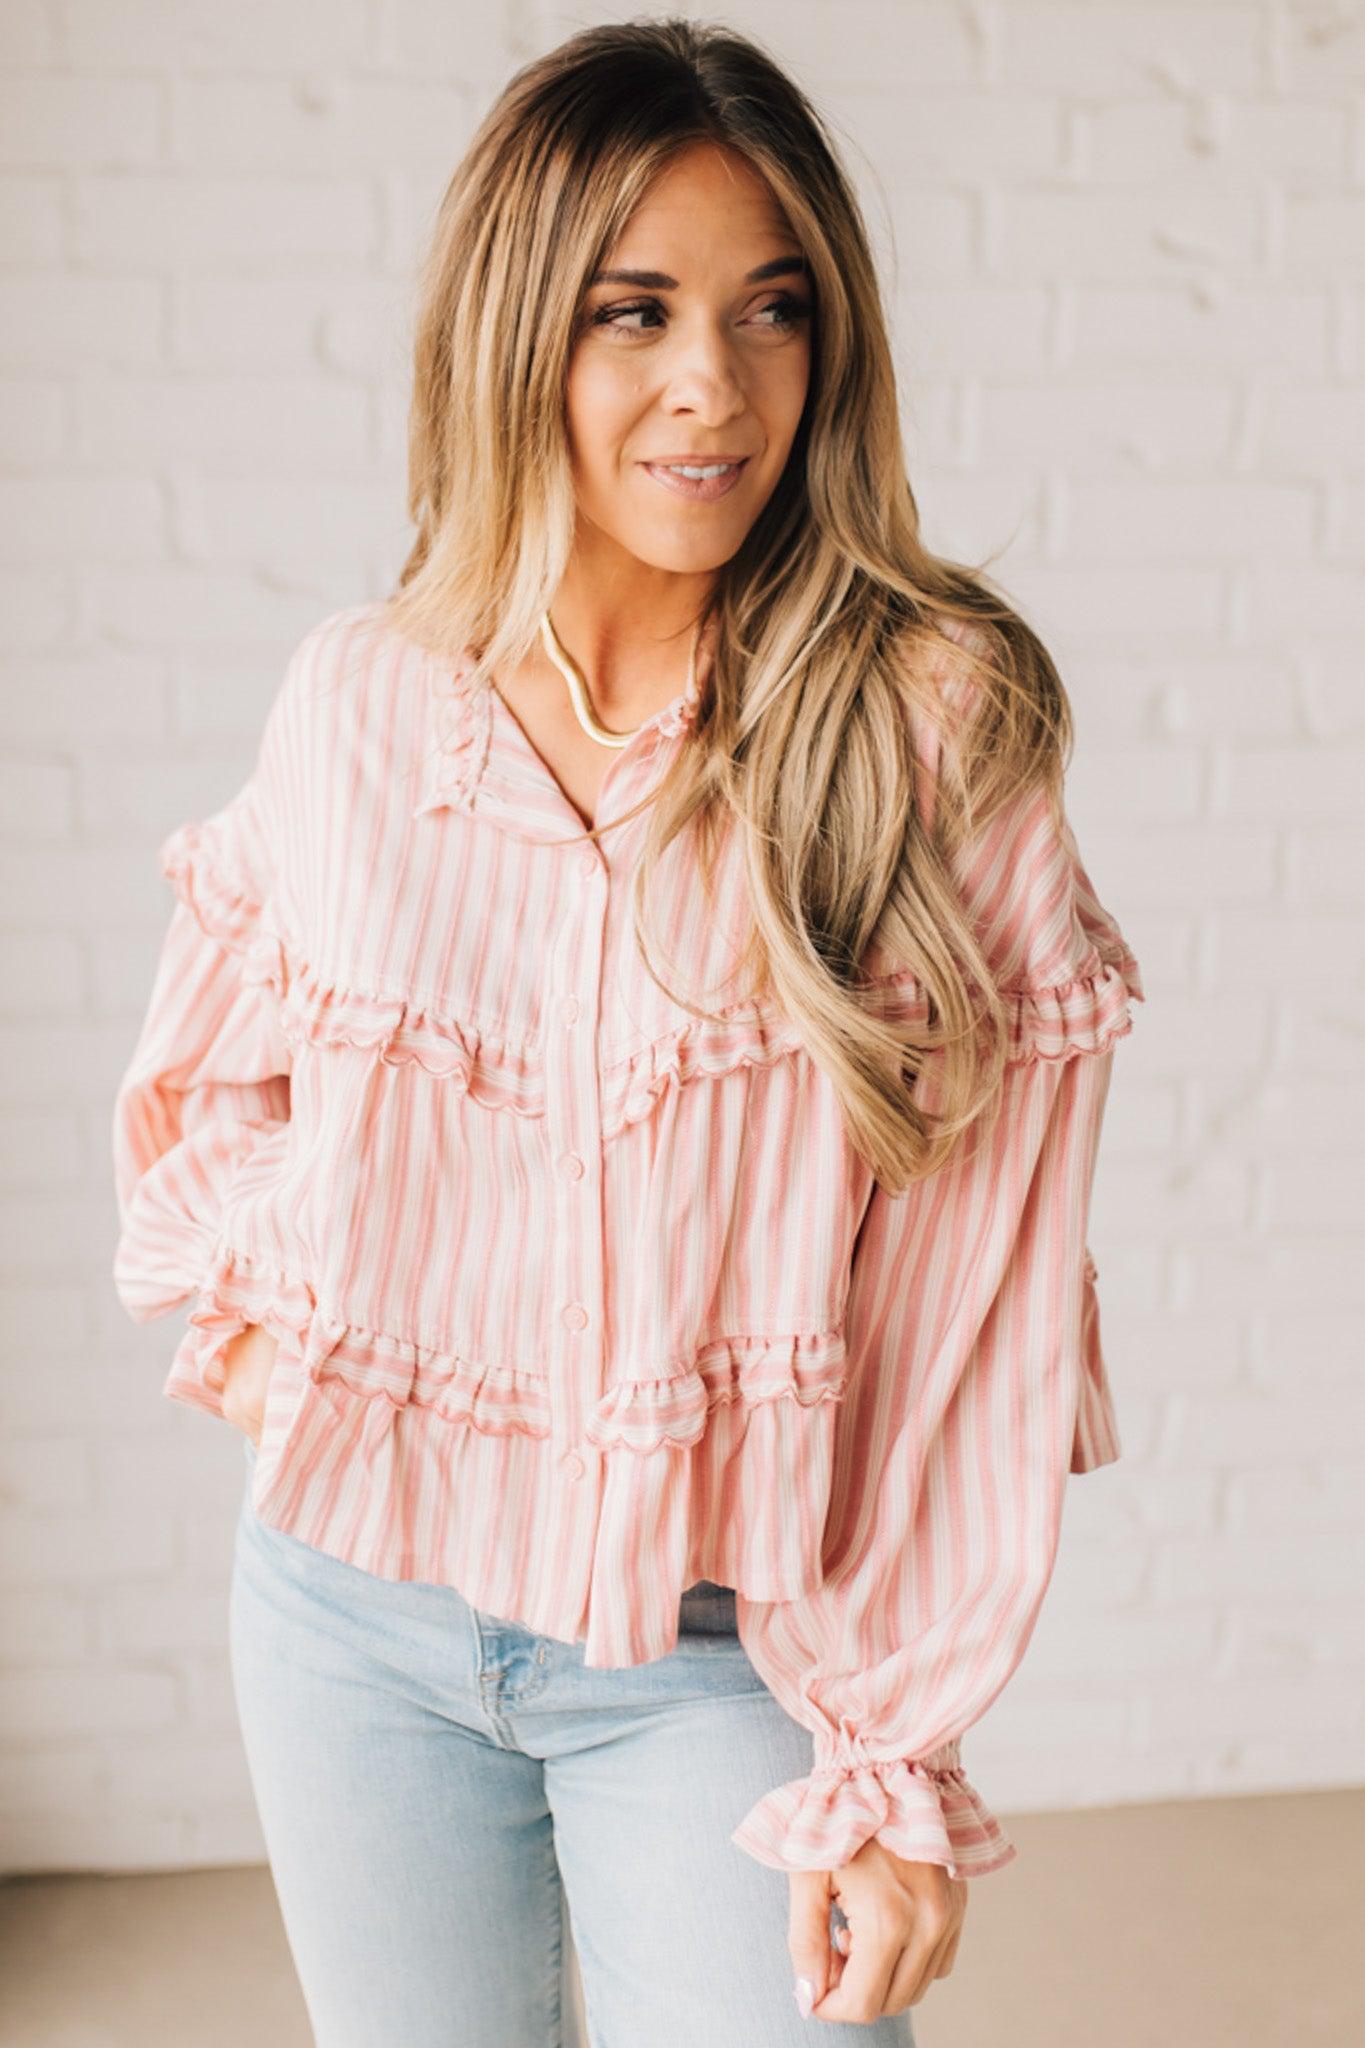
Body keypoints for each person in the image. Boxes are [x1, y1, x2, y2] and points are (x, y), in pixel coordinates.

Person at [109, 17, 1143, 2046]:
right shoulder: (361, 703)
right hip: (343, 1620)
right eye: (633, 311)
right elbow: (208, 1081)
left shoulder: (927, 727)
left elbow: (971, 1307)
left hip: (724, 1659)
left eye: (773, 312)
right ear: (511, 336)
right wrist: (270, 1341)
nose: (715, 386)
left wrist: (888, 1756)